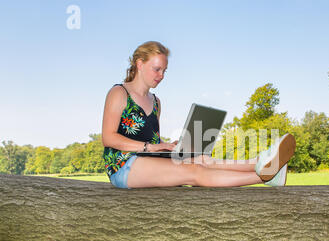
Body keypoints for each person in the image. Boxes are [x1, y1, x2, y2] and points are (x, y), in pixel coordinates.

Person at [102, 41, 296, 189]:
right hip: (123, 164)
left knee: (203, 159)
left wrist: (170, 146)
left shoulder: (156, 102)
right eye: (157, 69)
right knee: (194, 171)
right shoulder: (119, 93)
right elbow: (108, 138)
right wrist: (152, 146)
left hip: (148, 158)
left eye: (164, 70)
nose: (161, 75)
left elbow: (151, 138)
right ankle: (263, 177)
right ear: (140, 64)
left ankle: (263, 163)